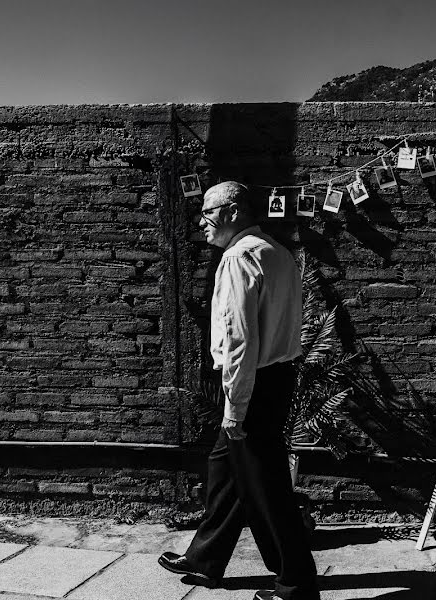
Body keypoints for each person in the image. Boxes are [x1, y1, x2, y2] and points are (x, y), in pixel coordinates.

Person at [158, 182, 319, 600]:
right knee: (224, 468)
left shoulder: (239, 257)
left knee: (266, 487)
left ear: (232, 212)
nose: (201, 222)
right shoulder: (278, 252)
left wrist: (235, 406)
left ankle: (296, 582)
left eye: (207, 214)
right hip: (277, 376)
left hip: (254, 381)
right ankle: (205, 559)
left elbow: (238, 341)